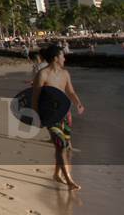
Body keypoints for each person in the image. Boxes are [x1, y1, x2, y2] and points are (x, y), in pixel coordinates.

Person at [33, 44, 85, 190]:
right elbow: (35, 98)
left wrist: (78, 104)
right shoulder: (42, 74)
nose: (65, 58)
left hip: (65, 113)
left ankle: (57, 174)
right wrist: (37, 116)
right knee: (61, 145)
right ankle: (69, 180)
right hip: (50, 115)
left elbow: (71, 92)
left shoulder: (65, 74)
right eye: (62, 56)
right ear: (56, 58)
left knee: (65, 147)